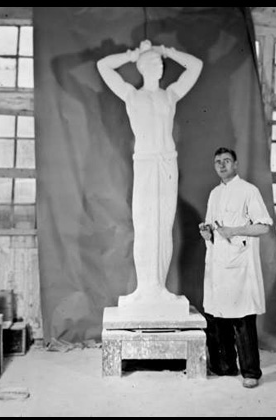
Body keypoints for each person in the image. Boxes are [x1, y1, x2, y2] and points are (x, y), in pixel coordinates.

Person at [97, 40, 203, 305]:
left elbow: (196, 66)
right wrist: (132, 55)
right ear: (142, 67)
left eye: (159, 63)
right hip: (145, 162)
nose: (157, 66)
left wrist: (168, 51)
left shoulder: (170, 95)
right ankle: (144, 289)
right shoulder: (132, 96)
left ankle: (160, 288)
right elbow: (103, 66)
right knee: (145, 225)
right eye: (151, 62)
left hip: (166, 162)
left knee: (163, 226)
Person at [199, 147, 273, 388]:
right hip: (218, 265)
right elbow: (213, 228)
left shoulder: (248, 191)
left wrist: (235, 230)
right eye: (217, 162)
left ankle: (251, 372)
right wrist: (207, 233)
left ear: (236, 164)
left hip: (240, 265)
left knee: (242, 319)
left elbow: (263, 227)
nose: (222, 165)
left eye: (227, 161)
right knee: (218, 316)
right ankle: (225, 366)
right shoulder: (214, 194)